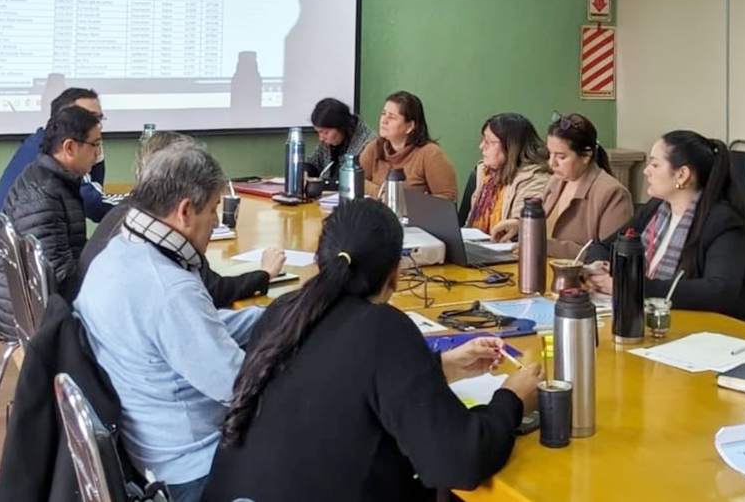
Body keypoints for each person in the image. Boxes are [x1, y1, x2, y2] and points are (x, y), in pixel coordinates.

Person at [202, 199, 542, 502]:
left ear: (321, 260)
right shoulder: (384, 327)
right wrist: (511, 400)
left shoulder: (285, 311)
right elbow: (457, 461)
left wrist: (438, 367)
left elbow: (343, 382)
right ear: (395, 275)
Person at [75, 142, 265, 502]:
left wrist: (270, 317)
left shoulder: (119, 251)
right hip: (191, 471)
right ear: (185, 211)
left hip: (146, 449)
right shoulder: (170, 289)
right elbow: (239, 386)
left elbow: (195, 330)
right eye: (213, 209)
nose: (216, 221)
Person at [78, 131, 286, 307]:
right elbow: (211, 291)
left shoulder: (134, 215)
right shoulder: (168, 278)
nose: (215, 222)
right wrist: (265, 274)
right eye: (212, 209)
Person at [585, 130, 745, 324]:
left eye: (655, 164)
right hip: (651, 319)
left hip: (710, 329)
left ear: (682, 175)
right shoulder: (656, 208)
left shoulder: (723, 221)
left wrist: (633, 287)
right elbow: (603, 246)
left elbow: (719, 291)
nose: (646, 171)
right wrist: (598, 268)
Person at [0, 106, 103, 339]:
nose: (98, 154)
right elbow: (58, 277)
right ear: (69, 147)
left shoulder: (49, 179)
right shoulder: (43, 194)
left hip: (29, 306)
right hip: (30, 316)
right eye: (95, 144)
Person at [0, 87, 119, 264]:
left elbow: (94, 189)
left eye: (99, 118)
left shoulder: (53, 151)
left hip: (12, 262)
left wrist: (94, 150)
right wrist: (140, 204)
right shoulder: (48, 172)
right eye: (88, 116)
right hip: (1, 264)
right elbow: (94, 205)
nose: (97, 125)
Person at [491, 113, 632, 257]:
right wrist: (520, 226)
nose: (552, 163)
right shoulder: (556, 181)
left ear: (586, 155)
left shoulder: (613, 194)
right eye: (550, 154)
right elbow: (547, 229)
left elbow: (610, 255)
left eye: (561, 156)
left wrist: (548, 247)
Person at [464, 113, 550, 234]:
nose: (481, 146)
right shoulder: (485, 172)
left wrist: (517, 224)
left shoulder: (534, 178)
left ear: (511, 147)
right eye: (483, 140)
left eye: (489, 142)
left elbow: (525, 223)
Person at [303, 98, 377, 188]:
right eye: (318, 132)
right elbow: (313, 163)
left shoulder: (368, 144)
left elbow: (358, 182)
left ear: (340, 126)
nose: (321, 138)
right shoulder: (329, 143)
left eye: (325, 132)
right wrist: (305, 171)